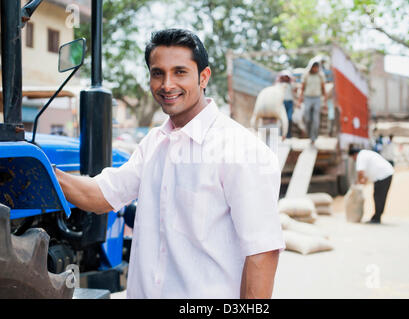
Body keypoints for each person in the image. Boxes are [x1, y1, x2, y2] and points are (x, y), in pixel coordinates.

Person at [54, 29, 285, 298]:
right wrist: (46, 174)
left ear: (204, 77)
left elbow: (262, 253)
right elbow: (103, 194)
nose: (167, 85)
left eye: (180, 72)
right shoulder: (154, 143)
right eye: (157, 73)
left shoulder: (239, 149)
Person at [349, 147, 394, 224]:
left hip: (383, 175)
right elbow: (365, 176)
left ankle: (377, 218)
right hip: (386, 173)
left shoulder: (360, 156)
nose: (354, 160)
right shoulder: (365, 154)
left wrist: (359, 182)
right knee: (379, 196)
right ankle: (376, 216)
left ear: (354, 155)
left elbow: (360, 172)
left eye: (353, 158)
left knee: (378, 196)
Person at [298, 60, 327, 145]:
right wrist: (299, 101)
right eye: (314, 67)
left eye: (317, 67)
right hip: (308, 98)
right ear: (311, 67)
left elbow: (323, 89)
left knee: (315, 119)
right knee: (307, 117)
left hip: (317, 98)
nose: (315, 69)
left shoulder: (321, 75)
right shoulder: (306, 75)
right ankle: (310, 134)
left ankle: (313, 138)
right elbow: (302, 88)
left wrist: (325, 102)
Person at [278, 70, 296, 138]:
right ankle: (281, 134)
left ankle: (288, 135)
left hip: (290, 103)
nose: (285, 78)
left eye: (287, 77)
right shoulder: (279, 85)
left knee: (289, 118)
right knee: (282, 119)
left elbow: (295, 90)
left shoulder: (291, 85)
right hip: (282, 103)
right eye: (284, 77)